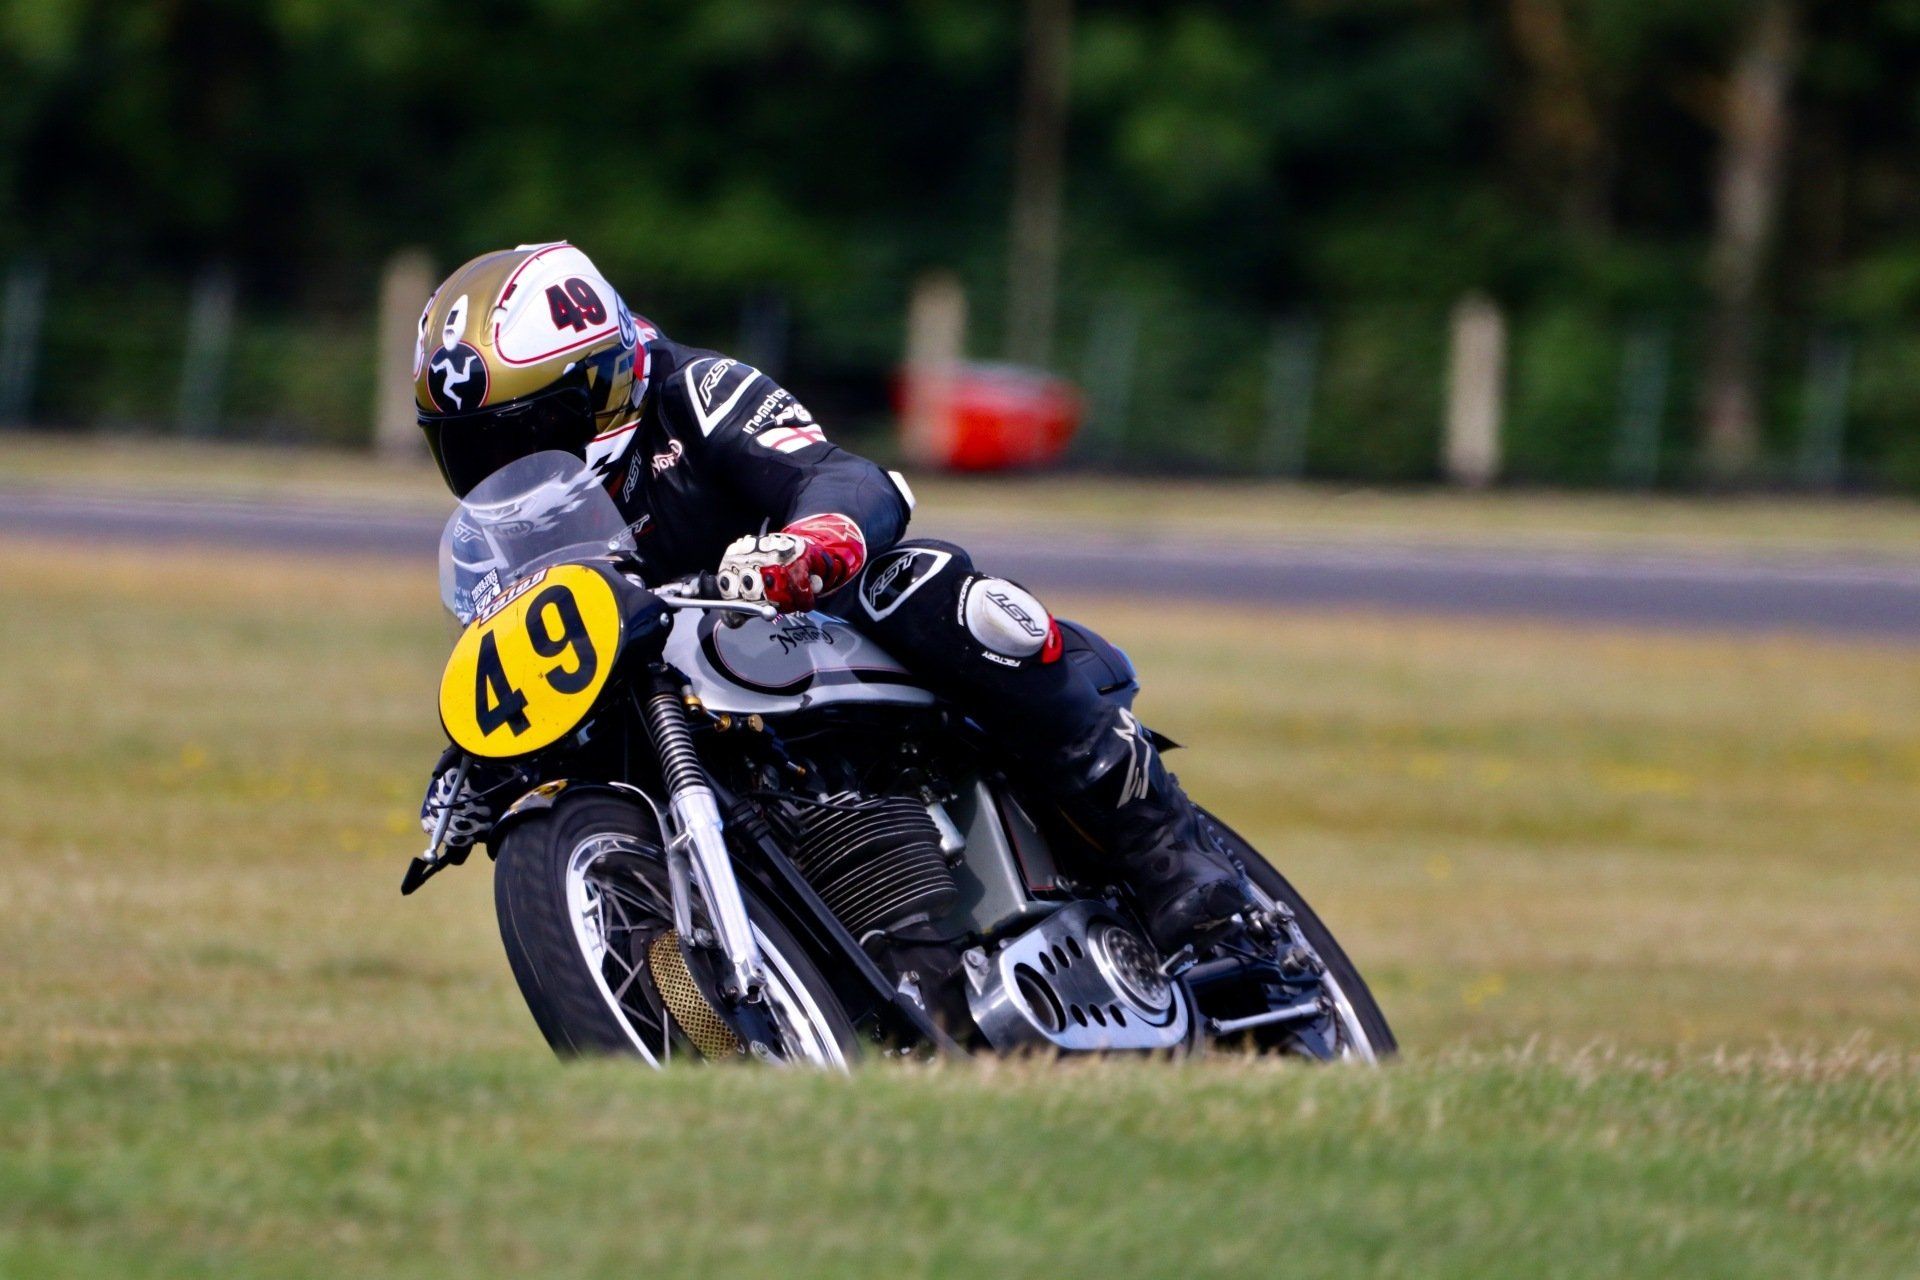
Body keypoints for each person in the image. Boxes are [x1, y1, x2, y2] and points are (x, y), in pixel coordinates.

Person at [415, 243, 1254, 950]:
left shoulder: (695, 391)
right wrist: (476, 759)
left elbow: (841, 476)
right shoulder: (513, 518)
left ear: (602, 383)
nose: (504, 470)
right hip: (669, 693)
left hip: (802, 629)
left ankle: (1167, 849)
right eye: (472, 450)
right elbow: (531, 630)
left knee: (923, 584)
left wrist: (807, 546)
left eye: (527, 434)